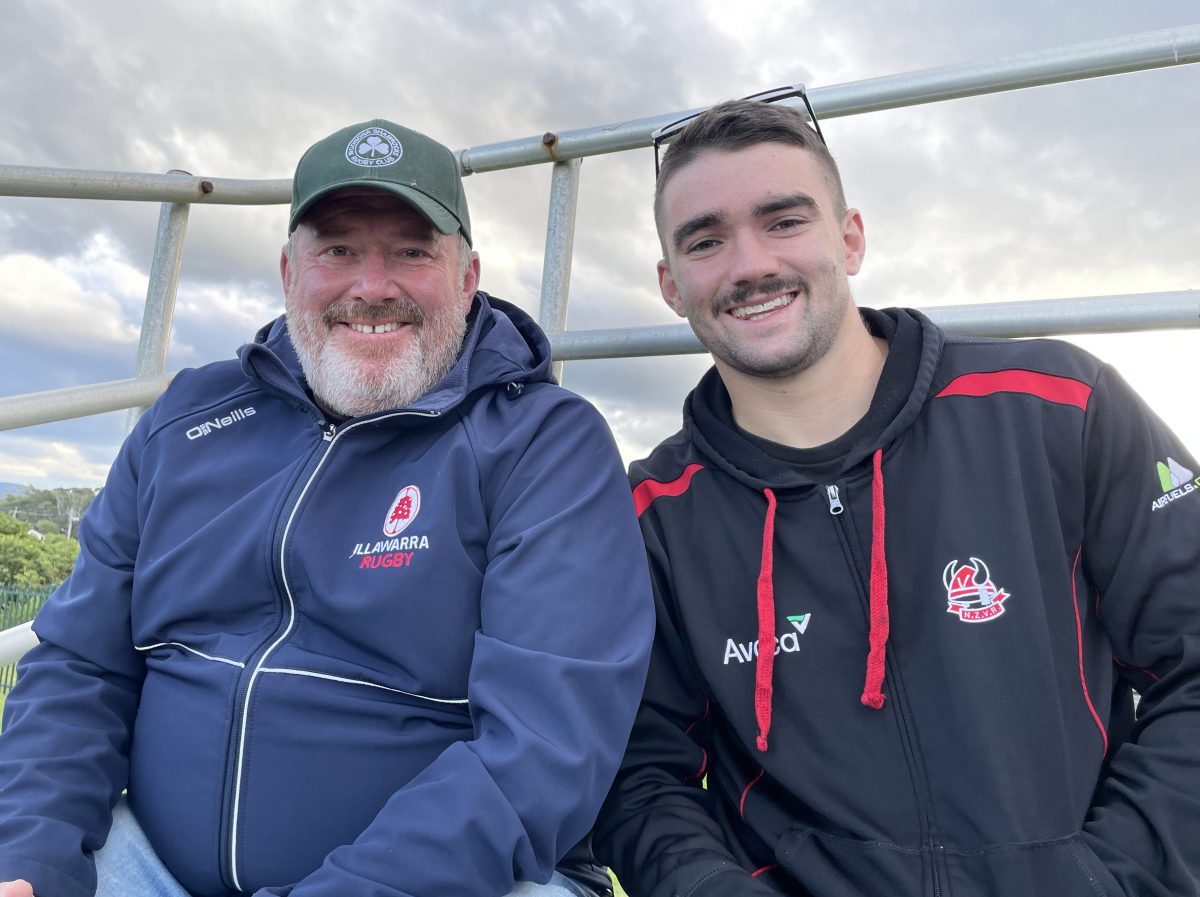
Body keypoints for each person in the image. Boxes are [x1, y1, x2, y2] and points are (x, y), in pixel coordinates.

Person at [0, 119, 654, 897]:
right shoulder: (187, 419)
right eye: (338, 249)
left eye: (412, 251)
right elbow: (81, 664)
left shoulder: (544, 445)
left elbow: (545, 749)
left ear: (469, 275)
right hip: (148, 860)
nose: (371, 286)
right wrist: (32, 858)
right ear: (287, 270)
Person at [592, 96, 1200, 897]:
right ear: (672, 285)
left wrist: (1109, 879)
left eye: (784, 221)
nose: (748, 267)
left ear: (850, 238)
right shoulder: (653, 517)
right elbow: (640, 770)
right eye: (706, 241)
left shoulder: (1059, 405)